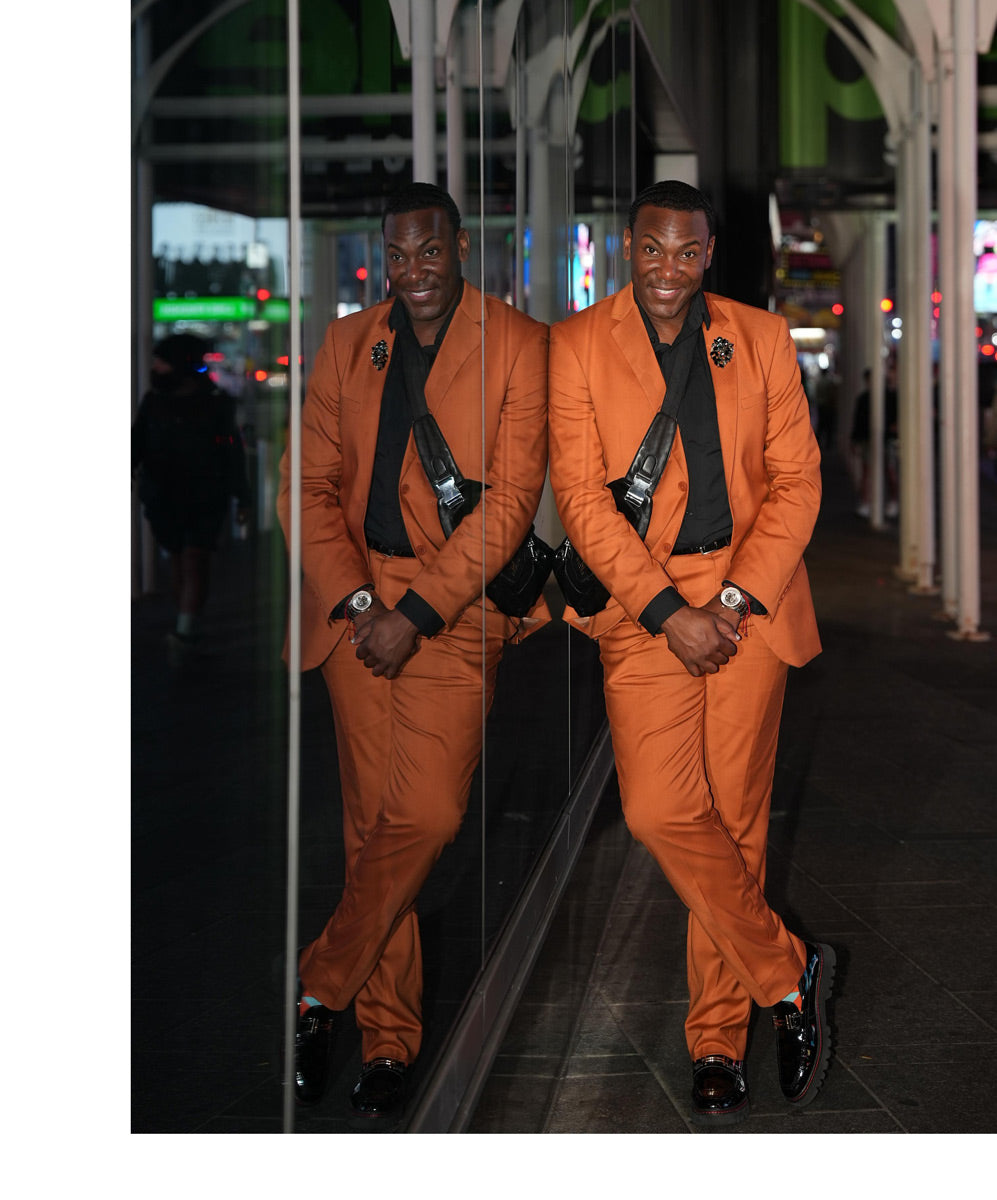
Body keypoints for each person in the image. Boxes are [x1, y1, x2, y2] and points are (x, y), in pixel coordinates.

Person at [547, 180, 834, 1128]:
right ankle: (788, 974)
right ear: (627, 248)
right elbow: (581, 502)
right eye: (651, 249)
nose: (666, 269)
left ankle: (717, 1038)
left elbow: (795, 481)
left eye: (685, 251)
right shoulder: (576, 345)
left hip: (747, 598)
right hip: (645, 608)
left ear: (708, 253)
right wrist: (669, 610)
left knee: (736, 822)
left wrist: (736, 599)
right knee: (660, 811)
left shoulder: (760, 338)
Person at [276, 182, 548, 1125]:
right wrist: (360, 604)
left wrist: (416, 613)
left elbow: (510, 504)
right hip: (355, 614)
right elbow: (306, 487)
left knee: (426, 816)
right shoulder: (347, 344)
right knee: (371, 832)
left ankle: (321, 985)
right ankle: (388, 1038)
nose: (413, 271)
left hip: (452, 614)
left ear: (460, 247)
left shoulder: (517, 343)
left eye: (429, 251)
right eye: (397, 255)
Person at [132, 332, 251, 659]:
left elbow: (232, 453)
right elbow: (138, 441)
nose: (156, 367)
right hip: (166, 497)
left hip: (202, 496)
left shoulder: (215, 403)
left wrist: (242, 496)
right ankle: (187, 621)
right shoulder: (155, 401)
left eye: (162, 361)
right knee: (180, 559)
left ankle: (185, 629)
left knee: (194, 558)